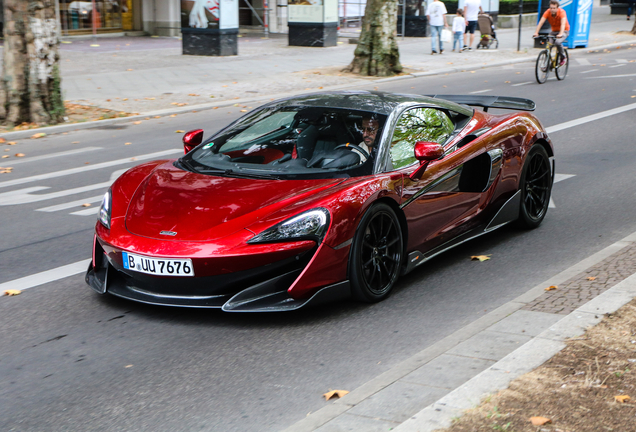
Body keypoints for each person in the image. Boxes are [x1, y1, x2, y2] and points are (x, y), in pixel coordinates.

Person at [533, 0, 570, 66]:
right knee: (548, 45)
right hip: (554, 31)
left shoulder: (562, 12)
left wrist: (561, 34)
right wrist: (536, 32)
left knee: (558, 42)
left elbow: (563, 24)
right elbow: (541, 22)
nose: (552, 10)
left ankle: (563, 56)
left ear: (557, 8)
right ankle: (547, 63)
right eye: (551, 8)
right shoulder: (547, 12)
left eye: (554, 8)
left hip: (564, 30)